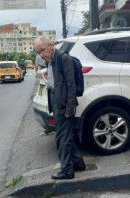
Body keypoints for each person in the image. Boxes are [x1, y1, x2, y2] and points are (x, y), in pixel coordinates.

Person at [34, 35, 85, 180]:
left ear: (50, 45)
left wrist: (70, 107)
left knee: (61, 138)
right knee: (65, 135)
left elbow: (71, 85)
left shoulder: (63, 58)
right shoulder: (50, 60)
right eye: (38, 52)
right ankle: (78, 163)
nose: (41, 55)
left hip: (63, 103)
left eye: (42, 50)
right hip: (56, 101)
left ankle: (67, 170)